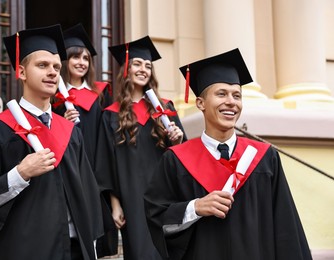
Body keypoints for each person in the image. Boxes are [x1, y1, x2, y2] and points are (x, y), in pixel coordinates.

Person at [144, 48, 313, 260]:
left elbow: (286, 226)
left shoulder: (264, 157)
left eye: (237, 96)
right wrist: (195, 207)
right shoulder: (176, 160)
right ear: (201, 103)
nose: (231, 102)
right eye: (221, 94)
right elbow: (156, 216)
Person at [0, 24, 104, 260]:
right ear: (21, 72)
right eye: (42, 65)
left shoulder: (71, 132)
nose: (52, 72)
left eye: (56, 67)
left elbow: (88, 197)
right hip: (23, 250)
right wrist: (20, 173)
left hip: (72, 250)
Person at [94, 35, 187, 260]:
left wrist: (178, 140)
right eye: (137, 64)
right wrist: (115, 205)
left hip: (165, 195)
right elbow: (106, 163)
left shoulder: (165, 108)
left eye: (148, 66)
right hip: (132, 197)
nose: (143, 69)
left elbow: (183, 155)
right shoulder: (111, 114)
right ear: (126, 69)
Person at [53, 23, 112, 170]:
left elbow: (108, 134)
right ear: (66, 61)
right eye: (76, 57)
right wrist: (63, 122)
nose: (82, 63)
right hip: (69, 164)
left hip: (97, 165)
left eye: (86, 58)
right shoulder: (53, 96)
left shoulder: (101, 93)